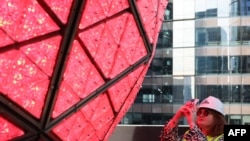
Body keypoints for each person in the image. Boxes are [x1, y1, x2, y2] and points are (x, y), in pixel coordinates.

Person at [160, 96, 227, 141]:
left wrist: (192, 123)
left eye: (206, 112)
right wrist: (176, 117)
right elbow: (166, 139)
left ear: (217, 118)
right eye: (199, 112)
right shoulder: (189, 133)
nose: (201, 115)